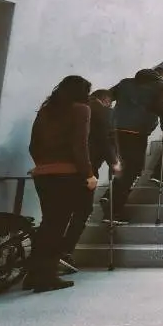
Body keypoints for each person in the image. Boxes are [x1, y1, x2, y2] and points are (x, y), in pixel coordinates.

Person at [25, 75, 95, 293]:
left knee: (48, 224)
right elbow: (79, 147)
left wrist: (44, 166)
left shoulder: (46, 111)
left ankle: (33, 274)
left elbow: (32, 146)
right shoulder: (81, 109)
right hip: (68, 175)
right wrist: (89, 174)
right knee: (58, 226)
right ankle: (47, 276)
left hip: (43, 174)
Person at [58, 89, 121, 270]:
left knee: (58, 213)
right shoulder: (104, 112)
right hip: (86, 168)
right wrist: (114, 162)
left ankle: (49, 253)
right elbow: (105, 140)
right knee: (82, 211)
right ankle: (65, 251)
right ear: (106, 100)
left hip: (60, 167)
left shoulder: (67, 108)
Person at [110, 69, 163, 224]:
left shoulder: (126, 83)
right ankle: (113, 212)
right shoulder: (161, 87)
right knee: (131, 170)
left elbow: (109, 96)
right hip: (136, 132)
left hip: (115, 130)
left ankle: (110, 198)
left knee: (126, 167)